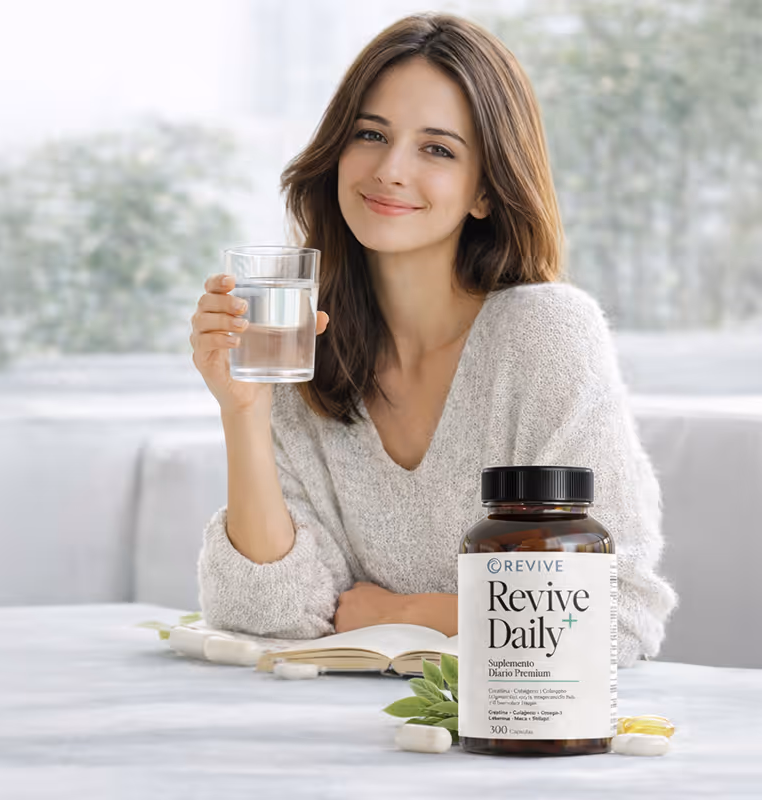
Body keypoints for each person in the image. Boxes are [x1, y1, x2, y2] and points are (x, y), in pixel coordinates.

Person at [189, 13, 677, 667]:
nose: (390, 169)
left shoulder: (546, 336)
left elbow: (616, 615)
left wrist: (403, 613)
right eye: (370, 134)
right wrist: (242, 413)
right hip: (328, 741)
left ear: (483, 191)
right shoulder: (300, 345)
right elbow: (268, 614)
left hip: (523, 742)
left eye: (437, 149)